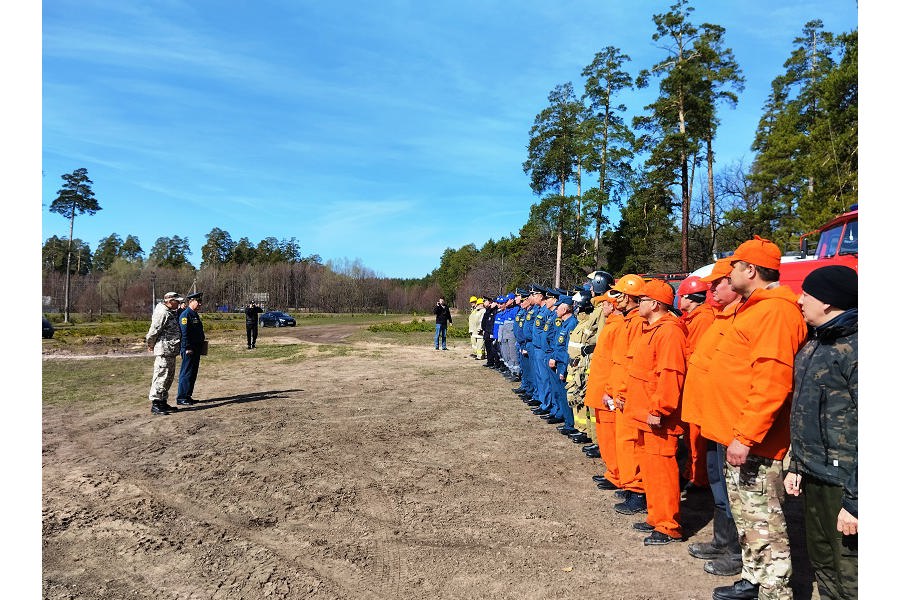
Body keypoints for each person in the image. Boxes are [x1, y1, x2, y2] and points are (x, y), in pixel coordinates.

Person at [703, 236, 808, 600]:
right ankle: (753, 578)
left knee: (765, 522)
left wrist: (745, 436)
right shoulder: (754, 308)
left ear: (750, 270)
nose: (728, 272)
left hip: (756, 443)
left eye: (734, 265)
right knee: (749, 519)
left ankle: (774, 592)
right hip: (741, 437)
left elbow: (771, 381)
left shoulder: (776, 312)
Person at [784, 265, 857, 600]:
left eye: (806, 295)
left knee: (852, 572)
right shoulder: (816, 342)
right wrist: (798, 463)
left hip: (845, 483)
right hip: (815, 475)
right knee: (823, 562)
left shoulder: (856, 347)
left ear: (827, 302)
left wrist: (857, 502)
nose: (799, 300)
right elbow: (805, 410)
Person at [682, 258, 745, 577]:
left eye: (718, 283)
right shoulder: (721, 318)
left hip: (728, 420)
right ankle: (722, 541)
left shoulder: (740, 319)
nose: (713, 290)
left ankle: (736, 552)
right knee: (719, 486)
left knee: (732, 492)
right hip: (710, 417)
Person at [624, 279, 688, 546]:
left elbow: (670, 375)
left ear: (656, 304)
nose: (638, 304)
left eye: (642, 300)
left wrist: (659, 409)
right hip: (643, 415)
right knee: (652, 472)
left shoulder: (669, 332)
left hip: (657, 418)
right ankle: (656, 518)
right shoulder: (653, 329)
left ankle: (668, 526)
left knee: (662, 473)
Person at [677, 275, 715, 491]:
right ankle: (691, 471)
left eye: (681, 296)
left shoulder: (703, 319)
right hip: (690, 381)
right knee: (690, 434)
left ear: (689, 298)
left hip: (697, 383)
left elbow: (696, 354)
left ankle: (698, 477)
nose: (678, 300)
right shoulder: (691, 317)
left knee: (696, 434)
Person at [145, 291, 183, 415]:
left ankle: (162, 401)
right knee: (161, 376)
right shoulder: (162, 313)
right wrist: (151, 344)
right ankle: (156, 403)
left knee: (168, 377)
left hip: (170, 350)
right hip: (163, 350)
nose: (178, 303)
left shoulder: (169, 312)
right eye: (176, 301)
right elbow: (154, 331)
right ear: (169, 301)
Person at [176, 292, 206, 406]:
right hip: (189, 349)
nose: (200, 304)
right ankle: (181, 397)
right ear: (191, 301)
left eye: (200, 302)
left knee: (192, 373)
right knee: (186, 372)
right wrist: (187, 347)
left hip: (196, 348)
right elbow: (184, 333)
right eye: (198, 302)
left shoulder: (194, 314)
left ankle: (188, 395)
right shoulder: (186, 315)